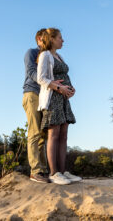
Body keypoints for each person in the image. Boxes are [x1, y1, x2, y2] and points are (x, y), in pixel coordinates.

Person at [37, 28, 82, 185]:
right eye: (60, 38)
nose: (63, 40)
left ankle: (63, 172)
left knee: (64, 136)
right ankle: (54, 173)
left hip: (63, 99)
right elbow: (41, 78)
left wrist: (70, 88)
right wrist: (59, 88)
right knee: (54, 135)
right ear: (52, 39)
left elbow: (64, 76)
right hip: (52, 99)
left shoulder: (59, 56)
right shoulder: (45, 55)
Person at [22, 29, 64, 183]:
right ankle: (35, 171)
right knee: (34, 132)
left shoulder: (51, 56)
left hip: (46, 97)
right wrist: (49, 83)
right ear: (40, 38)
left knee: (44, 135)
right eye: (46, 37)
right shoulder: (32, 53)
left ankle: (44, 170)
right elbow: (33, 73)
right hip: (32, 94)